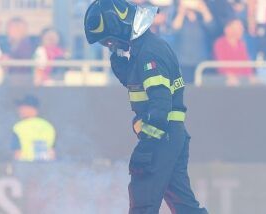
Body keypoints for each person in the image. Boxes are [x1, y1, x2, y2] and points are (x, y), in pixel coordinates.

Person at [84, 0, 208, 213]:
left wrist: (148, 145)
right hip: (172, 135)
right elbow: (146, 90)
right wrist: (126, 70)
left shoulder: (149, 54)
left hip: (161, 137)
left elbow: (160, 106)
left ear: (119, 27)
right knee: (184, 205)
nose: (110, 46)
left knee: (143, 200)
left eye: (109, 41)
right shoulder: (147, 49)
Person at [12, 95, 56, 162]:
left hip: (24, 167)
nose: (19, 110)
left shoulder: (19, 127)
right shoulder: (48, 126)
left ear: (31, 108)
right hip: (45, 168)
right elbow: (52, 153)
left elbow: (17, 153)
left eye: (22, 107)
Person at [213, 18, 256, 86]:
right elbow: (221, 64)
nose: (242, 30)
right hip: (226, 80)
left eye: (241, 28)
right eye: (238, 28)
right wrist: (229, 76)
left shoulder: (241, 44)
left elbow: (246, 63)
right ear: (228, 29)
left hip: (242, 79)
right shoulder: (220, 43)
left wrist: (251, 76)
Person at [4, 17, 34, 85]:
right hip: (13, 81)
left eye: (10, 28)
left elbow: (23, 64)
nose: (7, 31)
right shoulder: (11, 45)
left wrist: (8, 61)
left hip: (21, 82)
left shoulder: (25, 45)